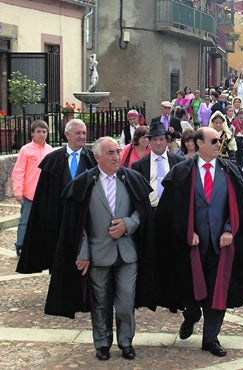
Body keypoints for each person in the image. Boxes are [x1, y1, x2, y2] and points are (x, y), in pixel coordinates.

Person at [44, 137, 157, 361]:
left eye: (117, 152)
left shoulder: (131, 179)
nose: (116, 157)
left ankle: (126, 342)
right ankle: (103, 343)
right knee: (101, 304)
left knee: (126, 303)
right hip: (96, 255)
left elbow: (143, 211)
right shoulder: (84, 183)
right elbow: (77, 224)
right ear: (97, 157)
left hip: (127, 254)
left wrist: (128, 224)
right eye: (110, 153)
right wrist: (83, 253)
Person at [155, 127, 243, 357]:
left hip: (221, 246)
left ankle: (211, 339)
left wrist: (228, 230)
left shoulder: (230, 170)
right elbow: (172, 210)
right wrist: (187, 230)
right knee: (192, 290)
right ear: (198, 143)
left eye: (219, 140)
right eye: (213, 140)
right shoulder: (182, 171)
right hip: (191, 245)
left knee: (217, 291)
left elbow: (240, 208)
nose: (218, 144)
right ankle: (191, 316)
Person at [17, 119, 97, 273]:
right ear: (67, 134)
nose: (82, 136)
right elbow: (43, 195)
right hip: (58, 218)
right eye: (78, 133)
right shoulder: (52, 159)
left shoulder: (92, 158)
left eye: (84, 133)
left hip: (86, 217)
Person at [11, 120, 53, 257]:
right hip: (29, 194)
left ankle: (40, 246)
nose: (41, 134)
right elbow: (18, 171)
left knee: (43, 221)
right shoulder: (25, 150)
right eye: (39, 131)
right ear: (32, 133)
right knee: (25, 221)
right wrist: (18, 192)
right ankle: (21, 245)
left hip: (45, 195)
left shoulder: (50, 150)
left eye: (44, 131)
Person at [131, 123, 185, 209]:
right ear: (149, 141)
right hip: (150, 210)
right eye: (154, 139)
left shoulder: (179, 162)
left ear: (167, 141)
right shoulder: (139, 165)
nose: (158, 143)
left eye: (161, 139)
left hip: (173, 210)